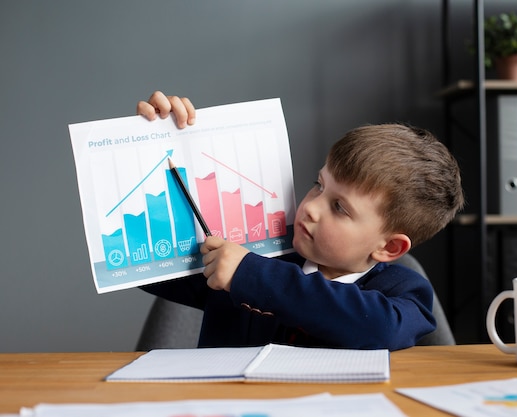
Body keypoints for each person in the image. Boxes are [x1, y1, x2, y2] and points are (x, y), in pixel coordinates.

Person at [137, 91, 464, 351]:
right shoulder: (255, 254)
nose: (310, 207)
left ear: (389, 246)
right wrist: (149, 144)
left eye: (339, 207)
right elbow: (146, 269)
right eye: (318, 184)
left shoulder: (405, 292)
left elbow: (380, 327)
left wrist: (251, 275)